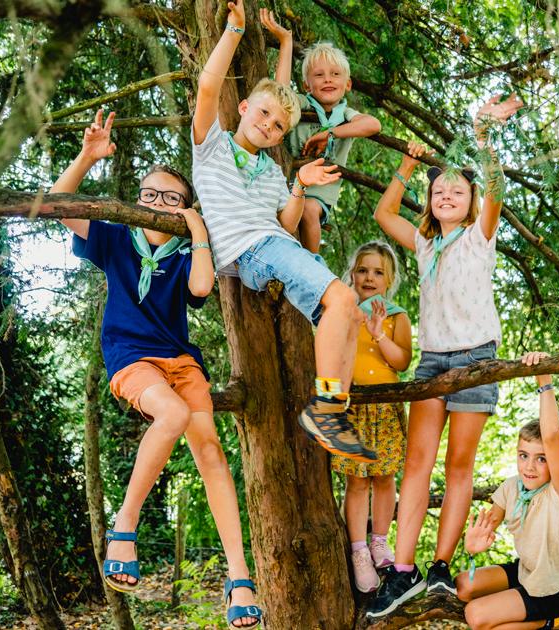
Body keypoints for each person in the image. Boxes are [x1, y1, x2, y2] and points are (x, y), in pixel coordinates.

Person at [52, 109, 261, 628]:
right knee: (171, 415)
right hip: (132, 357)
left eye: (171, 199)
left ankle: (239, 578)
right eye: (150, 195)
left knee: (211, 452)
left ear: (184, 209)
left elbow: (201, 288)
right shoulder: (114, 239)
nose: (157, 204)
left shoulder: (188, 250)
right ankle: (124, 528)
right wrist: (88, 156)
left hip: (181, 361)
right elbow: (58, 204)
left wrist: (199, 230)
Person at [191, 0, 376, 463]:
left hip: (275, 245)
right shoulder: (212, 146)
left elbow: (288, 224)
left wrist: (299, 185)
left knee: (348, 313)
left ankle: (335, 410)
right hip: (252, 248)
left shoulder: (272, 170)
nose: (269, 127)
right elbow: (209, 85)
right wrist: (234, 31)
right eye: (264, 114)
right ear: (245, 106)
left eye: (278, 127)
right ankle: (326, 408)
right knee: (342, 298)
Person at [366, 93, 524, 618]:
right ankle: (403, 570)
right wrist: (407, 169)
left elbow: (495, 187)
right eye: (439, 191)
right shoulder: (424, 243)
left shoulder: (479, 237)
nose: (448, 195)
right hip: (433, 361)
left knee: (459, 465)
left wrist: (483, 136)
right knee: (417, 463)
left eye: (458, 190)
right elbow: (384, 212)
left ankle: (439, 566)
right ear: (430, 202)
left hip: (477, 359)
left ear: (471, 200)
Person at [454, 352, 559, 630]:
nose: (529, 466)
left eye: (541, 458)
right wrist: (473, 544)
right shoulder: (511, 486)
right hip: (526, 572)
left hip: (554, 589)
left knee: (477, 616)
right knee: (463, 585)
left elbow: (552, 438)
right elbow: (490, 522)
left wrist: (544, 380)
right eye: (523, 456)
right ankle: (516, 606)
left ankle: (555, 620)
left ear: (555, 460)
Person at [332, 242, 412, 592]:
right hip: (353, 407)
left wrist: (378, 332)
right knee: (357, 481)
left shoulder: (397, 316)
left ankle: (379, 541)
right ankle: (359, 551)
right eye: (363, 270)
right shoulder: (342, 311)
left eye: (378, 272)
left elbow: (402, 362)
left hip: (385, 407)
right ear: (352, 273)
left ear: (389, 280)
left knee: (383, 477)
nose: (369, 277)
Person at [277, 39, 381, 253]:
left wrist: (330, 133)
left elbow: (373, 125)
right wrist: (286, 44)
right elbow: (279, 96)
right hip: (286, 185)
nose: (327, 79)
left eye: (335, 74)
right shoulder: (303, 104)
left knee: (308, 209)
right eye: (319, 75)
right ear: (307, 85)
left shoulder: (345, 115)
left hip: (318, 193)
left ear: (348, 84)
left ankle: (312, 264)